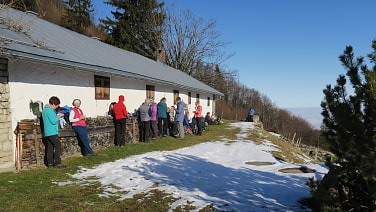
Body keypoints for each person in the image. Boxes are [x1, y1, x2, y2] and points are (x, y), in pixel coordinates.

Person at [42, 96, 66, 168]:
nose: (57, 106)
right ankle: (57, 163)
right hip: (52, 132)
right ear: (52, 104)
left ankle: (50, 163)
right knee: (58, 146)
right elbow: (53, 121)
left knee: (50, 147)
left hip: (47, 132)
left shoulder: (45, 110)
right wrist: (58, 116)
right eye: (56, 105)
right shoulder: (49, 111)